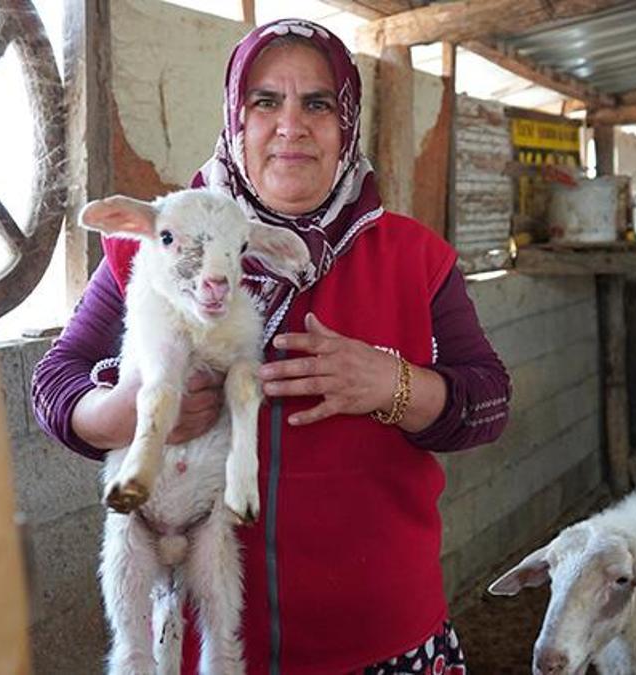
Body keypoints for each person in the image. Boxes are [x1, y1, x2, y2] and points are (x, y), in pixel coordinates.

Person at [32, 18, 510, 675]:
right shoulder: (161, 242)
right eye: (265, 102)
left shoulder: (413, 257)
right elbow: (53, 384)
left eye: (317, 103)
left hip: (382, 641)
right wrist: (128, 411)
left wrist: (395, 385)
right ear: (236, 118)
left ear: (346, 122)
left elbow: (490, 401)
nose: (291, 125)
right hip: (210, 647)